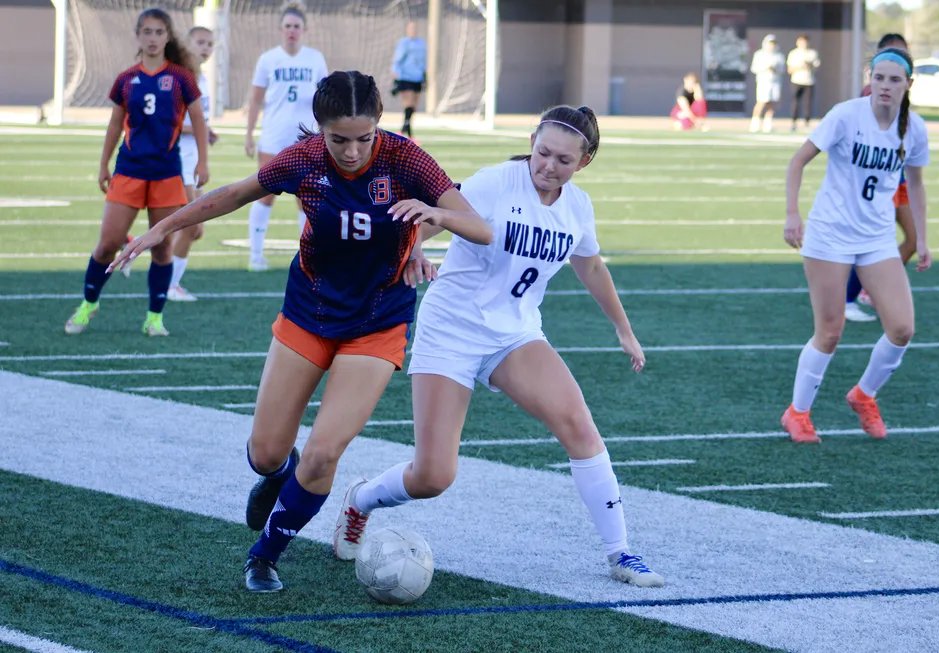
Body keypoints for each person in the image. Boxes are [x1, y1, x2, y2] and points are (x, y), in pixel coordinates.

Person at [109, 70, 492, 593]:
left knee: (323, 453)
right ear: (320, 129)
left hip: (377, 321)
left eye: (364, 138)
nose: (353, 151)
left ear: (380, 125)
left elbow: (481, 227)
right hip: (308, 309)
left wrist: (434, 215)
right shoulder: (305, 159)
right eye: (339, 139)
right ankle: (277, 475)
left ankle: (264, 555)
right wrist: (160, 228)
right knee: (266, 454)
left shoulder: (406, 158)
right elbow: (235, 194)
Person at [331, 105, 665, 588]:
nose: (549, 165)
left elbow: (590, 265)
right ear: (532, 140)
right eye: (543, 152)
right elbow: (432, 217)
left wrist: (623, 329)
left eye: (564, 160)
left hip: (515, 334)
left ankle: (621, 554)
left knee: (579, 426)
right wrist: (416, 247)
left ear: (584, 162)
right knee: (433, 475)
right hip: (451, 331)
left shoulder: (578, 207)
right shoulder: (496, 181)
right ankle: (361, 500)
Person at [781, 47, 930, 444]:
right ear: (870, 79)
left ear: (908, 85)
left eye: (894, 79)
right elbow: (798, 161)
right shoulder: (846, 115)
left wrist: (923, 239)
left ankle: (864, 394)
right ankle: (797, 413)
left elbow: (914, 183)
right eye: (879, 78)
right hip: (830, 234)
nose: (884, 86)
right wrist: (792, 214)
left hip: (876, 237)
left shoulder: (914, 128)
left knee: (902, 327)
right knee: (830, 331)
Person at [64, 7, 208, 337]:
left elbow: (198, 119)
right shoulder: (126, 78)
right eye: (147, 32)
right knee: (107, 244)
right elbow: (115, 123)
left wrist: (203, 161)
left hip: (166, 173)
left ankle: (154, 318)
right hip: (128, 170)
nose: (153, 38)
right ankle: (88, 304)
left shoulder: (182, 77)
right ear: (138, 36)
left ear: (168, 36)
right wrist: (103, 164)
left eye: (159, 32)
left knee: (161, 247)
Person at [244, 1, 329, 272]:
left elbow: (325, 98)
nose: (292, 31)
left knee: (306, 197)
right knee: (264, 194)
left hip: (305, 137)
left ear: (304, 30)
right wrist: (249, 133)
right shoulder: (268, 59)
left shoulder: (314, 58)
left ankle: (307, 257)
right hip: (273, 136)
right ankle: (255, 255)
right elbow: (255, 100)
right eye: (288, 26)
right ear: (281, 29)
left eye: (296, 26)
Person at [846, 33, 917, 323]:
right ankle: (849, 297)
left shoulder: (904, 97)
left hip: (897, 182)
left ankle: (866, 290)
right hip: (878, 186)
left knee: (913, 239)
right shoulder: (870, 94)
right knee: (869, 242)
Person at [168, 26, 219, 302]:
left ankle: (168, 280)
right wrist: (200, 130)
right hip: (177, 161)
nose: (206, 48)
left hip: (192, 161)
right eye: (200, 42)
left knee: (194, 229)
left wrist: (205, 132)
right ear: (186, 44)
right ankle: (169, 286)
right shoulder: (180, 78)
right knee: (192, 227)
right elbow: (171, 123)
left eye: (210, 43)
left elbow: (198, 119)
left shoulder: (203, 78)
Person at [390, 20, 427, 139]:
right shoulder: (404, 43)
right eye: (410, 28)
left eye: (414, 28)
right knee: (409, 103)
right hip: (405, 77)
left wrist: (425, 75)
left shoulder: (421, 43)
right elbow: (397, 60)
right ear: (407, 29)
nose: (413, 30)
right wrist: (396, 76)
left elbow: (423, 62)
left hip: (418, 78)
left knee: (413, 107)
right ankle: (408, 134)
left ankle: (404, 131)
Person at [750, 34, 785, 133]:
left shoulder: (779, 56)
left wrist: (775, 69)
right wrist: (765, 68)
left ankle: (768, 123)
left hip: (775, 82)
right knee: (761, 102)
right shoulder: (759, 54)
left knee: (772, 104)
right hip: (763, 81)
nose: (771, 46)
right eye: (770, 43)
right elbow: (754, 68)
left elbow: (782, 70)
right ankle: (755, 123)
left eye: (773, 44)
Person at [787, 34, 820, 132]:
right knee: (795, 102)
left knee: (808, 103)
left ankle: (807, 121)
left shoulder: (812, 53)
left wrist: (809, 65)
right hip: (796, 81)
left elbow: (816, 67)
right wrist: (800, 66)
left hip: (809, 81)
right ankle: (793, 121)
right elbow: (789, 69)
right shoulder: (793, 53)